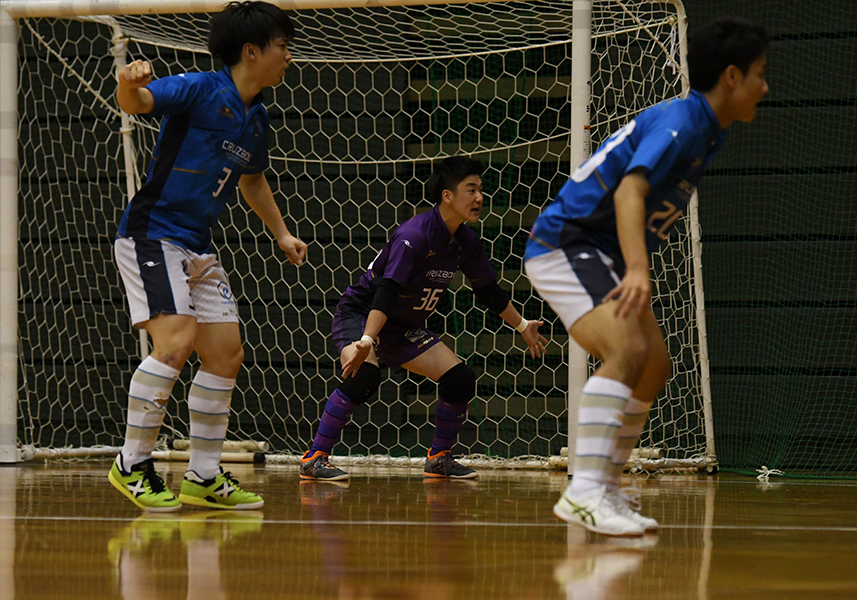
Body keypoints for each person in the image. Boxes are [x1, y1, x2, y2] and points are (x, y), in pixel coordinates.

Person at [523, 17, 769, 535]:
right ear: (732, 76)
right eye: (760, 73)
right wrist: (639, 268)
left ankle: (606, 486)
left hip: (598, 251)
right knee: (627, 352)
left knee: (654, 365)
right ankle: (584, 492)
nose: (765, 87)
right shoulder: (684, 123)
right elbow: (629, 191)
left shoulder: (706, 128)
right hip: (567, 243)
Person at [108, 1, 307, 512]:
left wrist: (282, 233)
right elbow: (137, 102)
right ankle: (131, 464)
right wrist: (128, 82)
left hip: (196, 244)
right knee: (175, 342)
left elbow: (253, 181)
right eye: (282, 46)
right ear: (251, 50)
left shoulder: (256, 118)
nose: (289, 55)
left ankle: (202, 476)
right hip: (152, 235)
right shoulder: (200, 88)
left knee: (225, 354)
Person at [300, 156, 547, 481]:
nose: (479, 197)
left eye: (481, 189)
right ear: (447, 196)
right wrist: (367, 340)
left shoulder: (465, 242)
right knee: (365, 376)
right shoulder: (414, 235)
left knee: (460, 378)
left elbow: (488, 290)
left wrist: (522, 325)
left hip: (402, 327)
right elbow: (387, 291)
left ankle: (439, 459)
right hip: (363, 313)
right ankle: (314, 458)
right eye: (471, 189)